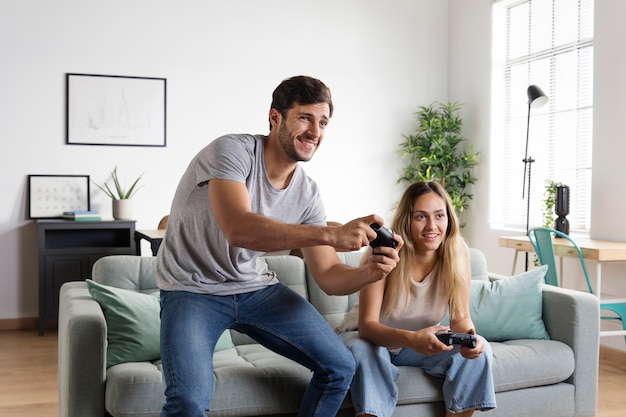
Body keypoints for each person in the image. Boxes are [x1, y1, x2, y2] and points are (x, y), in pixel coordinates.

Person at [156, 75, 402, 417]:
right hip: (191, 290)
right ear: (275, 118)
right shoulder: (231, 151)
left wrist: (370, 272)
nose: (315, 132)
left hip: (255, 288)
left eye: (323, 122)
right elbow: (239, 229)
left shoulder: (308, 193)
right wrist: (330, 234)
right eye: (304, 118)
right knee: (187, 402)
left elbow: (329, 276)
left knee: (340, 368)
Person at [342, 181, 496, 417]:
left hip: (418, 344)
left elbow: (460, 317)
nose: (432, 226)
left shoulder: (458, 253)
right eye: (421, 217)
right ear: (407, 220)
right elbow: (368, 327)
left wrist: (469, 340)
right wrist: (412, 339)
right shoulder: (385, 253)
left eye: (439, 216)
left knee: (480, 350)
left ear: (448, 219)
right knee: (363, 351)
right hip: (373, 340)